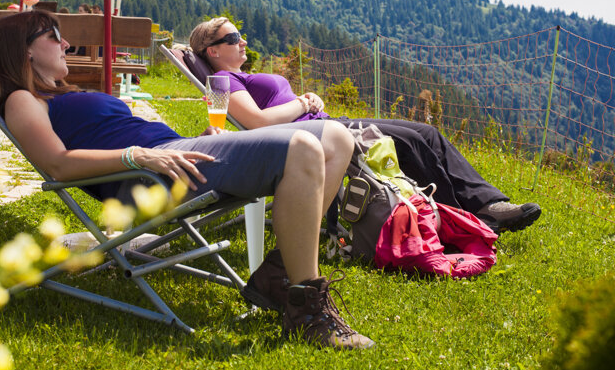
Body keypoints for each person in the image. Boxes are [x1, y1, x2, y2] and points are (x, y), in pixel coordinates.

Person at [0, 10, 375, 351]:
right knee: (304, 147)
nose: (65, 45)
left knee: (336, 137)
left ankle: (279, 274)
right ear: (25, 48)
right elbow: (57, 164)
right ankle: (307, 311)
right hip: (150, 176)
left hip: (175, 151)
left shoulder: (61, 93)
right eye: (54, 37)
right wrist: (138, 155)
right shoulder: (23, 100)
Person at [189, 17, 542, 235]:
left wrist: (308, 100)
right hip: (319, 136)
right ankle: (470, 216)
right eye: (233, 38)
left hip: (323, 123)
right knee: (411, 141)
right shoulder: (223, 81)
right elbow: (257, 122)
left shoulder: (242, 75)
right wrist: (302, 102)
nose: (243, 42)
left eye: (240, 36)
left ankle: (488, 203)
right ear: (213, 50)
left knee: (427, 132)